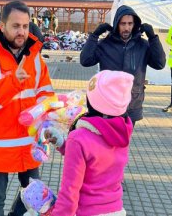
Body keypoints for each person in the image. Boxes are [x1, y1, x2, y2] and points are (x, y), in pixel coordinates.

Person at [0, 0, 54, 216]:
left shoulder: (35, 57)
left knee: (36, 198)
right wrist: (12, 81)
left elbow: (46, 95)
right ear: (2, 25)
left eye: (25, 26)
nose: (21, 32)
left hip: (29, 144)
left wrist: (53, 120)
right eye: (16, 26)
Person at [45, 70, 134, 216]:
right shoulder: (122, 132)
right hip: (116, 209)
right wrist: (62, 144)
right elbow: (97, 159)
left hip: (86, 211)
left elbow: (69, 191)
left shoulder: (78, 138)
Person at [80, 5, 166, 125]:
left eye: (130, 24)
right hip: (109, 104)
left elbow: (159, 64)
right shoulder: (105, 44)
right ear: (116, 24)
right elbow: (85, 61)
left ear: (134, 24)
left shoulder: (142, 45)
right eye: (123, 24)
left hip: (132, 104)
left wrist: (153, 38)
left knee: (125, 142)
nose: (126, 28)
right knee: (108, 142)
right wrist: (94, 36)